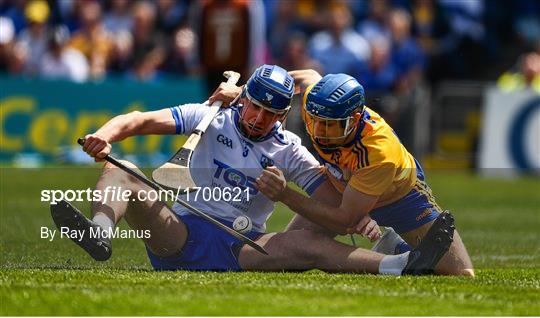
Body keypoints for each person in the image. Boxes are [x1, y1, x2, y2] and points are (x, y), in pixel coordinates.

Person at [50, 65, 453, 275]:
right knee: (124, 169)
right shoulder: (207, 116)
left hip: (242, 247)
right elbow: (137, 120)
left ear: (283, 113)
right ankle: (99, 232)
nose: (260, 117)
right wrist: (104, 136)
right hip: (178, 234)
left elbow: (330, 197)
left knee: (307, 247)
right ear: (244, 99)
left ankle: (400, 265)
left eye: (272, 112)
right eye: (255, 106)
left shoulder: (290, 150)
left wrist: (361, 219)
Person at [253, 69, 474, 276]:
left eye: (330, 125)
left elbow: (345, 220)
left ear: (356, 119)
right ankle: (395, 248)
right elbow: (308, 75)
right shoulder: (317, 106)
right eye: (316, 122)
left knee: (461, 274)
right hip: (344, 187)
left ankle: (397, 246)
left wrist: (285, 195)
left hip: (400, 199)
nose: (319, 133)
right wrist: (247, 90)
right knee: (289, 251)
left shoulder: (378, 152)